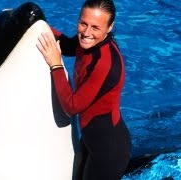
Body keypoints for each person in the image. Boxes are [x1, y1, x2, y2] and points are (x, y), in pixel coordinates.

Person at [36, 0, 132, 179]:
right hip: (90, 139)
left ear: (109, 27)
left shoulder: (105, 63)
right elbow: (66, 46)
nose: (86, 33)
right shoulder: (88, 41)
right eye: (83, 24)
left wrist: (55, 64)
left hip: (109, 149)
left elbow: (72, 106)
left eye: (95, 27)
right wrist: (33, 22)